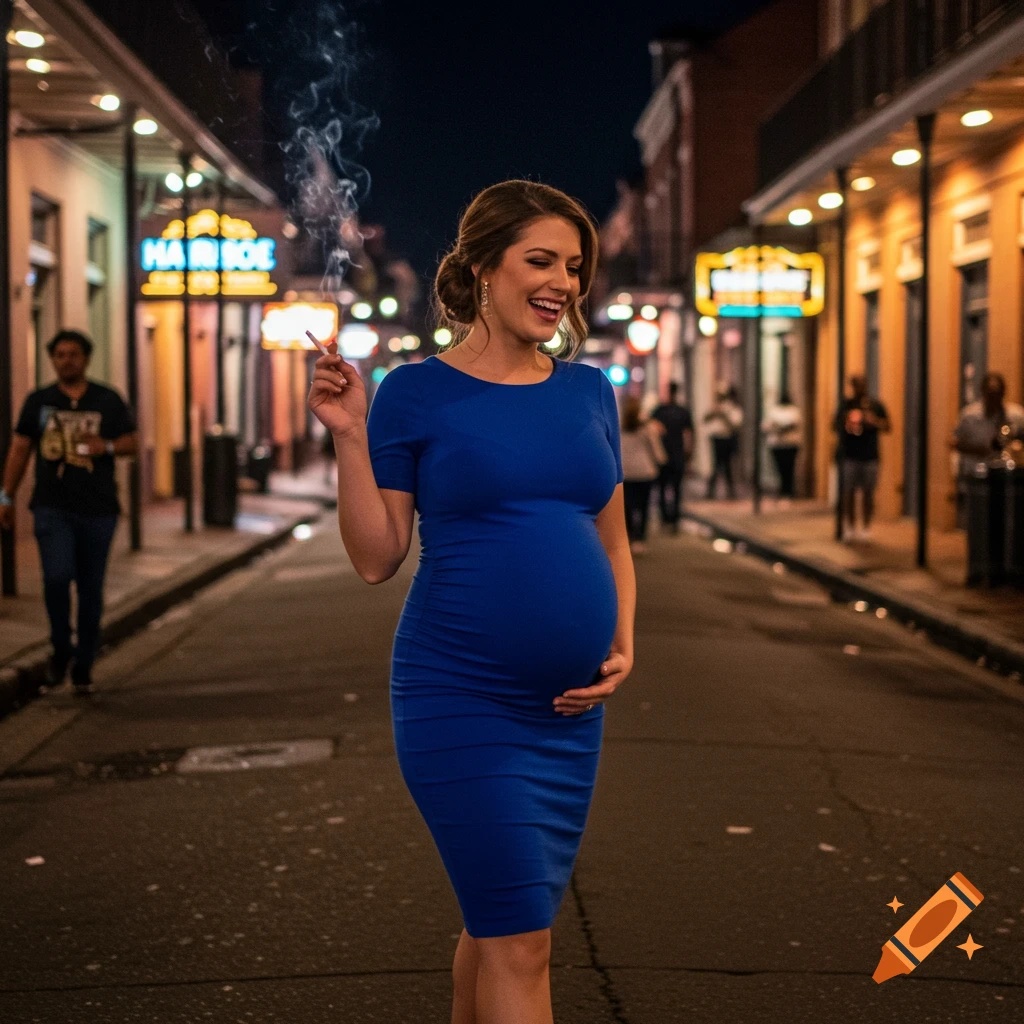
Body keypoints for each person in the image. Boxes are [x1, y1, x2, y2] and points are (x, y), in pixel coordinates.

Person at [307, 180, 635, 1024]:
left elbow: (612, 540)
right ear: (485, 267)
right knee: (522, 943)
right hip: (460, 695)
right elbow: (377, 557)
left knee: (499, 930)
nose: (562, 282)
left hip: (568, 715)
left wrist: (622, 641)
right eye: (541, 260)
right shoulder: (416, 392)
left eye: (574, 266)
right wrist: (350, 434)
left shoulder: (590, 391)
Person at [0, 329, 138, 693]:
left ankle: (84, 663)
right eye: (60, 355)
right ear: (52, 359)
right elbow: (20, 448)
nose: (66, 361)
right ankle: (61, 647)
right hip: (52, 508)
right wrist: (5, 497)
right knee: (57, 577)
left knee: (91, 588)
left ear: (86, 358)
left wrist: (106, 447)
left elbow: (131, 442)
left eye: (73, 354)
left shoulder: (107, 399)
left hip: (99, 510)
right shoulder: (39, 401)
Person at [952, 371, 1024, 527]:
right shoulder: (970, 415)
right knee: (979, 522)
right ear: (983, 392)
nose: (994, 399)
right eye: (990, 394)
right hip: (976, 477)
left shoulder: (1015, 415)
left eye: (997, 394)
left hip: (1005, 479)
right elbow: (955, 441)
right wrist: (978, 450)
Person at [835, 373, 890, 541]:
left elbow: (887, 426)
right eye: (856, 385)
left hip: (870, 455)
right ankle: (850, 527)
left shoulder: (874, 405)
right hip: (850, 454)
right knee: (848, 492)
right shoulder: (846, 405)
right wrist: (847, 421)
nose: (860, 388)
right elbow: (835, 425)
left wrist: (873, 421)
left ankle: (866, 527)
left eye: (862, 384)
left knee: (868, 492)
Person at [620, 394, 668, 555]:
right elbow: (656, 449)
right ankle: (640, 538)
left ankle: (630, 535)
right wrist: (662, 460)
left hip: (626, 472)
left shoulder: (620, 426)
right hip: (645, 471)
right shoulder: (647, 427)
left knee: (627, 506)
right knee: (644, 506)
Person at [650, 381, 693, 532]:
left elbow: (652, 431)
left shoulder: (659, 411)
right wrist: (688, 453)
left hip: (662, 456)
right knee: (676, 488)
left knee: (662, 488)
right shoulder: (683, 411)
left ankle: (665, 519)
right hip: (677, 455)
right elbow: (688, 434)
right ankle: (675, 519)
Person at [761, 390, 802, 503]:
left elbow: (794, 425)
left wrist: (779, 427)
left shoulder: (792, 411)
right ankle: (784, 492)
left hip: (788, 444)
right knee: (782, 469)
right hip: (779, 444)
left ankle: (788, 492)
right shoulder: (776, 410)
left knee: (788, 469)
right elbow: (766, 426)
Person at [704, 383, 743, 499]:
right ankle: (711, 491)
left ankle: (731, 491)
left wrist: (724, 415)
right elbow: (705, 419)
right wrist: (714, 412)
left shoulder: (732, 408)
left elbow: (735, 424)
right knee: (715, 466)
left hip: (727, 438)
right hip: (717, 438)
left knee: (727, 466)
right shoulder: (716, 406)